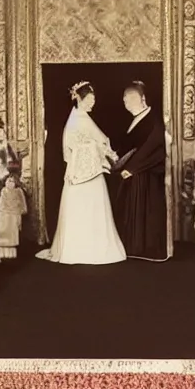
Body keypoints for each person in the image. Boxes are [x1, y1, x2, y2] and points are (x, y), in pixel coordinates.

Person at [36, 81, 126, 265]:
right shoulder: (79, 119)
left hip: (82, 170)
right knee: (86, 205)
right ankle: (87, 250)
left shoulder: (79, 117)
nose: (92, 102)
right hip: (85, 171)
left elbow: (96, 142)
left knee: (88, 206)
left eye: (94, 99)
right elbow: (98, 142)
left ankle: (83, 248)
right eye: (89, 99)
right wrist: (107, 154)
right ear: (79, 98)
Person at [114, 81, 169, 261]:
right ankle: (133, 246)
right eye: (124, 100)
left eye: (130, 99)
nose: (126, 103)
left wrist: (132, 167)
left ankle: (145, 248)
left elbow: (153, 147)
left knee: (146, 212)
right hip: (134, 173)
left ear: (143, 98)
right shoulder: (137, 119)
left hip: (146, 174)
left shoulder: (153, 120)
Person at [0, 174, 28, 261]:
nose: (9, 183)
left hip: (14, 214)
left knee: (12, 234)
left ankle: (12, 255)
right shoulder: (3, 191)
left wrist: (18, 211)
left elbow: (22, 204)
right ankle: (2, 254)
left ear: (15, 183)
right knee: (4, 232)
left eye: (12, 181)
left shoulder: (19, 191)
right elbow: (1, 203)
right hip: (4, 214)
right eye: (7, 181)